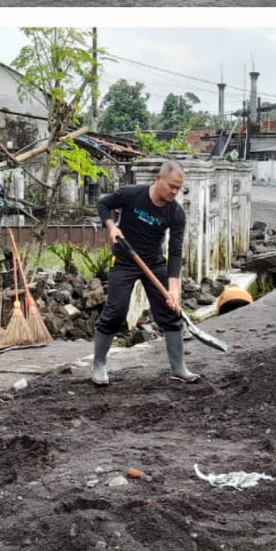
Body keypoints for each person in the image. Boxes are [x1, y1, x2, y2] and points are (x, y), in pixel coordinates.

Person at [93, 160, 198, 385]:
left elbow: (176, 251)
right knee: (116, 312)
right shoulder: (131, 194)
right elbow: (103, 205)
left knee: (170, 313)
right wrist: (112, 226)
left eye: (178, 188)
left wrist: (174, 289)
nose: (174, 192)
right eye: (171, 186)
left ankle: (179, 368)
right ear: (158, 179)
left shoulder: (176, 213)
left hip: (154, 262)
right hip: (124, 259)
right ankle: (99, 364)